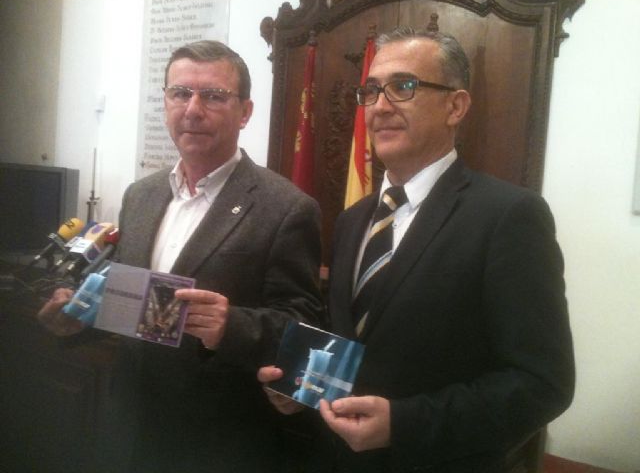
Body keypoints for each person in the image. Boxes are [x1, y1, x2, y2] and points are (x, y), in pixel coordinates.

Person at [259, 27, 575, 472]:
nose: (380, 107)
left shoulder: (508, 216)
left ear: (455, 106)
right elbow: (351, 343)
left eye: (403, 86)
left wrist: (403, 424)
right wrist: (300, 388)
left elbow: (543, 383)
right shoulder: (353, 220)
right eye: (371, 91)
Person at [38, 40, 324, 473]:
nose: (193, 109)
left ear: (245, 112)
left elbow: (303, 326)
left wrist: (232, 326)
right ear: (166, 102)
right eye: (180, 93)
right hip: (126, 426)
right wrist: (80, 319)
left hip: (216, 441)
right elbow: (132, 304)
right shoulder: (140, 195)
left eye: (213, 96)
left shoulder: (287, 208)